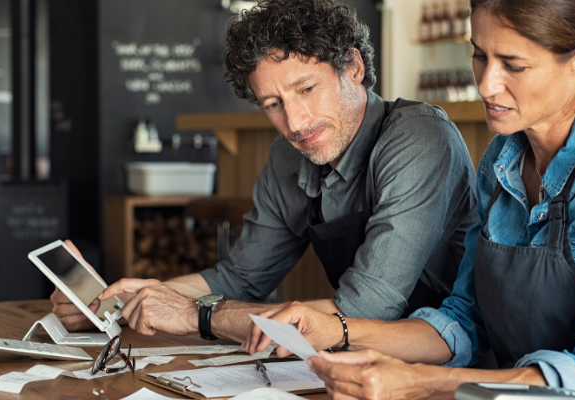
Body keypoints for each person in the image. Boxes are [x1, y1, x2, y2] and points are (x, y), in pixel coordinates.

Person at [245, 1, 575, 399]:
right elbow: (463, 320)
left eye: (512, 64)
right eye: (480, 55)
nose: (487, 84)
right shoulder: (502, 157)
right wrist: (339, 331)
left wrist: (423, 382)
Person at [51, 0, 477, 343]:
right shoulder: (287, 157)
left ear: (353, 67)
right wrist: (123, 304)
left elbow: (363, 311)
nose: (295, 121)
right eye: (273, 104)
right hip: (357, 364)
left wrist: (197, 315)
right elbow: (240, 278)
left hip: (450, 364)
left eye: (306, 89)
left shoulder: (419, 137)